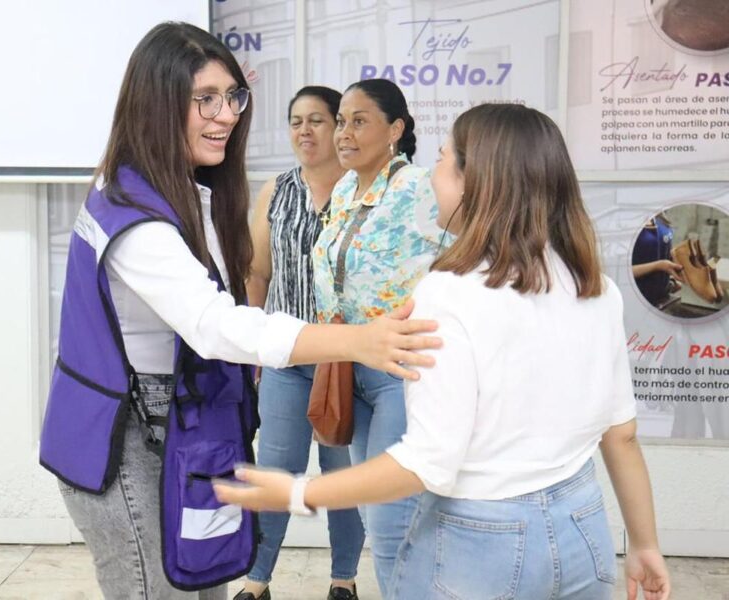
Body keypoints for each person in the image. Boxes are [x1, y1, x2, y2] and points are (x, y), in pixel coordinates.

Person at [39, 23, 440, 600]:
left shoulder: (186, 188)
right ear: (156, 103)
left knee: (205, 579)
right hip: (126, 437)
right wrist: (355, 341)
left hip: (188, 422)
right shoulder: (131, 207)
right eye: (205, 100)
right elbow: (216, 324)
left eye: (232, 97)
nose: (226, 114)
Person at [215, 103, 672, 600]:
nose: (430, 173)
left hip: (481, 540)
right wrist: (645, 544)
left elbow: (425, 464)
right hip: (584, 529)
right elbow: (621, 436)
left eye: (442, 157)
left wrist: (299, 492)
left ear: (476, 183)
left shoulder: (449, 294)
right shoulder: (596, 289)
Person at [309, 78, 445, 596]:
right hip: (350, 366)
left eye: (358, 121)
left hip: (398, 371)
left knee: (390, 517)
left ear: (396, 130)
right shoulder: (346, 187)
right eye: (341, 121)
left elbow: (467, 254)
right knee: (377, 512)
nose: (343, 132)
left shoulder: (417, 188)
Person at [238, 86, 365, 600]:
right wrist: (250, 346)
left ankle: (343, 581)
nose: (304, 131)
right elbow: (257, 273)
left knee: (343, 478)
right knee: (275, 470)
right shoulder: (276, 191)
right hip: (286, 356)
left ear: (340, 128)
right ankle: (256, 580)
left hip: (345, 361)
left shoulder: (366, 193)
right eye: (295, 121)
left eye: (317, 120)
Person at [631, 215, 682, 308]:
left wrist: (671, 280)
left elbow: (660, 253)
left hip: (662, 298)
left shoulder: (660, 218)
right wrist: (658, 266)